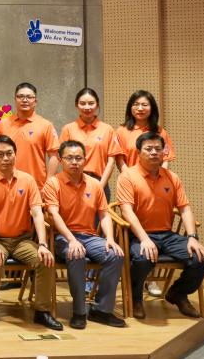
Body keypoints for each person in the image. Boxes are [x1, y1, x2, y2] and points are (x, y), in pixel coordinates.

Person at [117, 132, 204, 319]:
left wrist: (192, 238)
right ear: (138, 152)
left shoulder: (172, 177)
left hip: (167, 235)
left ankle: (177, 293)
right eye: (148, 149)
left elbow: (185, 208)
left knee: (203, 260)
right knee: (142, 259)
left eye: (158, 149)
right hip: (139, 235)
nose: (154, 152)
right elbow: (127, 211)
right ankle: (136, 298)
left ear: (163, 152)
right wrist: (144, 239)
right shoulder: (127, 176)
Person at [0, 135, 61, 331]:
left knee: (45, 260)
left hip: (22, 240)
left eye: (9, 153)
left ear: (15, 154)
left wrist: (43, 244)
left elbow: (37, 214)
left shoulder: (27, 180)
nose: (6, 158)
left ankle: (42, 311)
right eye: (0, 155)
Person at [43, 140, 126, 329]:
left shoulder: (95, 184)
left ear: (85, 160)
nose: (74, 162)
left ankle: (101, 310)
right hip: (62, 237)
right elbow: (54, 215)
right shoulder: (53, 184)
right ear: (61, 160)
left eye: (78, 158)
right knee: (76, 254)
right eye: (69, 158)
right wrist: (71, 240)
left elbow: (104, 214)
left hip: (90, 236)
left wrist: (110, 239)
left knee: (115, 255)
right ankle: (79, 311)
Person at [58, 88, 124, 200]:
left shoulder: (107, 129)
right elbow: (62, 158)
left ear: (97, 105)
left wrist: (100, 186)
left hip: (99, 182)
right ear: (76, 105)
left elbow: (111, 161)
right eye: (83, 103)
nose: (87, 107)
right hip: (72, 182)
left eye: (91, 103)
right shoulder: (68, 129)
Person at [0, 83, 59, 187]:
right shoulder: (3, 124)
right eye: (20, 96)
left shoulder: (46, 125)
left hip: (36, 185)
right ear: (15, 99)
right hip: (7, 184)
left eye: (29, 97)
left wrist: (48, 182)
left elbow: (54, 156)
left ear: (35, 101)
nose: (24, 100)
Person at [117, 91, 177, 171]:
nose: (140, 108)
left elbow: (165, 159)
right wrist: (129, 176)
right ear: (130, 108)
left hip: (156, 177)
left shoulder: (160, 132)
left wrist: (160, 176)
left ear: (152, 108)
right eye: (136, 104)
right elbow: (120, 160)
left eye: (144, 105)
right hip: (130, 177)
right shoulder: (121, 131)